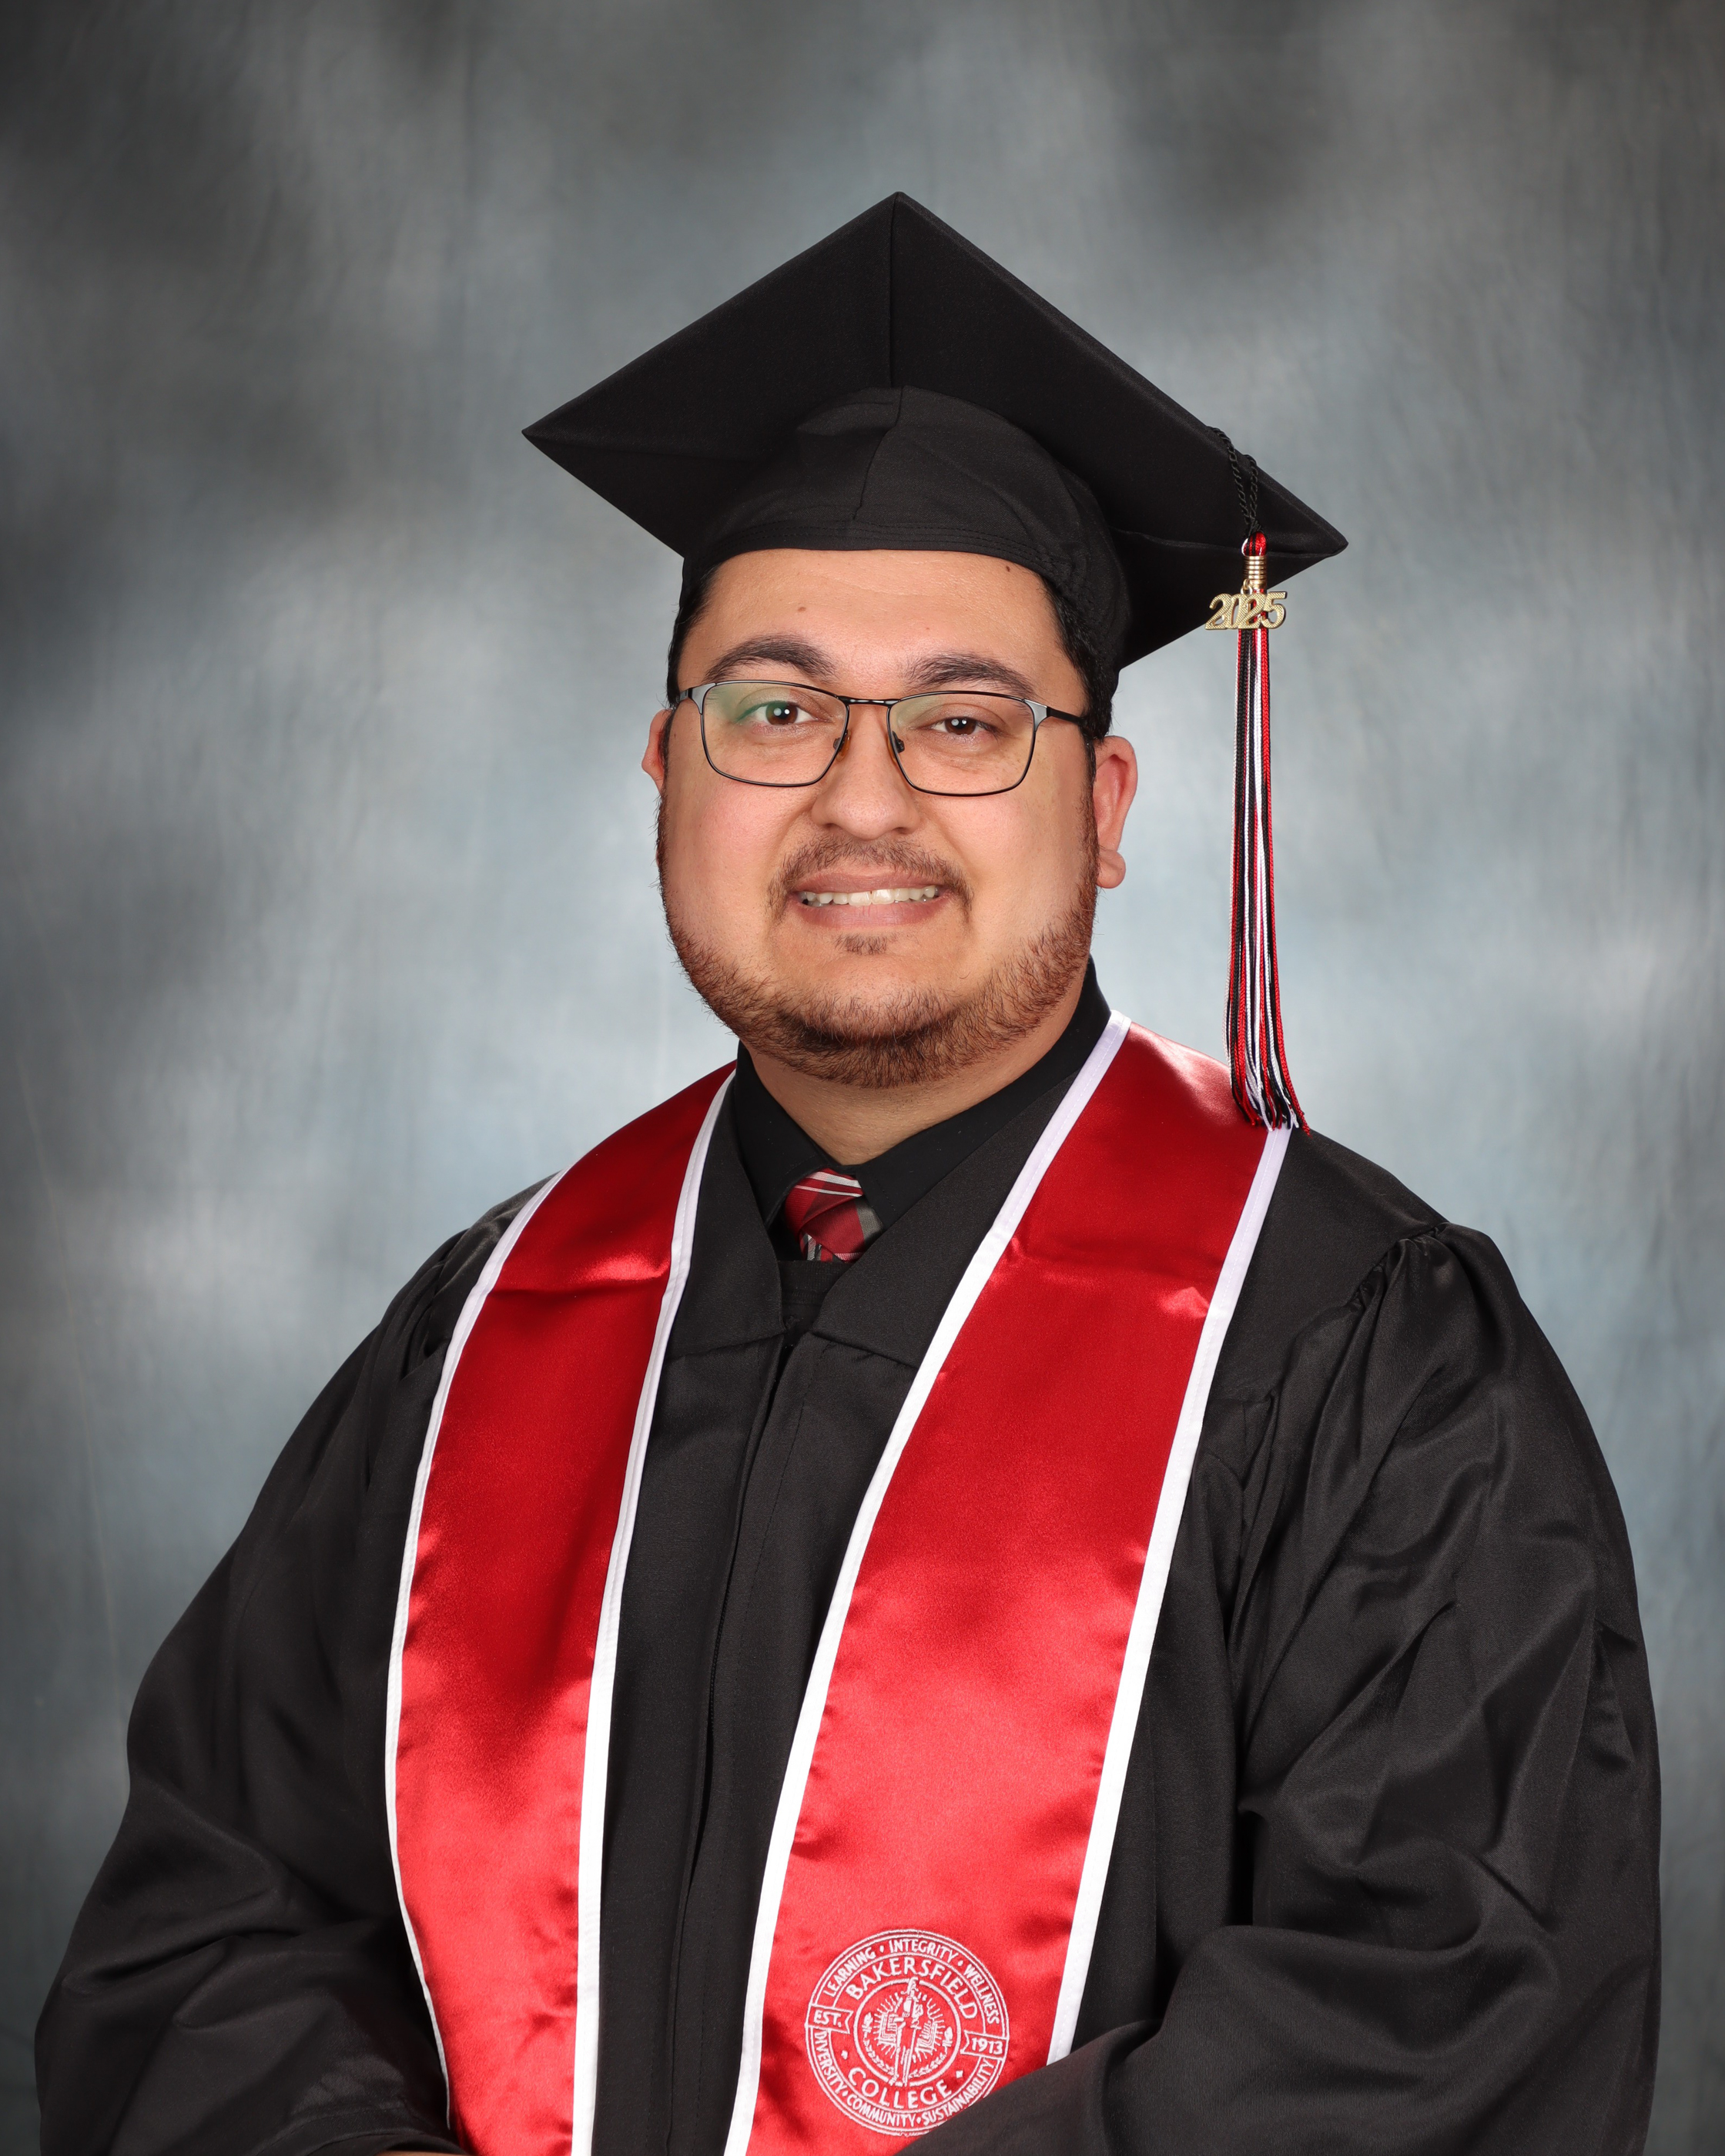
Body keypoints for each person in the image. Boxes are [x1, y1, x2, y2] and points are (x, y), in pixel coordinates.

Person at [38, 196, 1659, 2156]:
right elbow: (209, 1935)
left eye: (966, 720)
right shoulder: (480, 1335)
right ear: (667, 777)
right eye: (774, 710)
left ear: (1105, 804)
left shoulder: (1353, 1348)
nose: (861, 795)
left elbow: (1436, 2016)